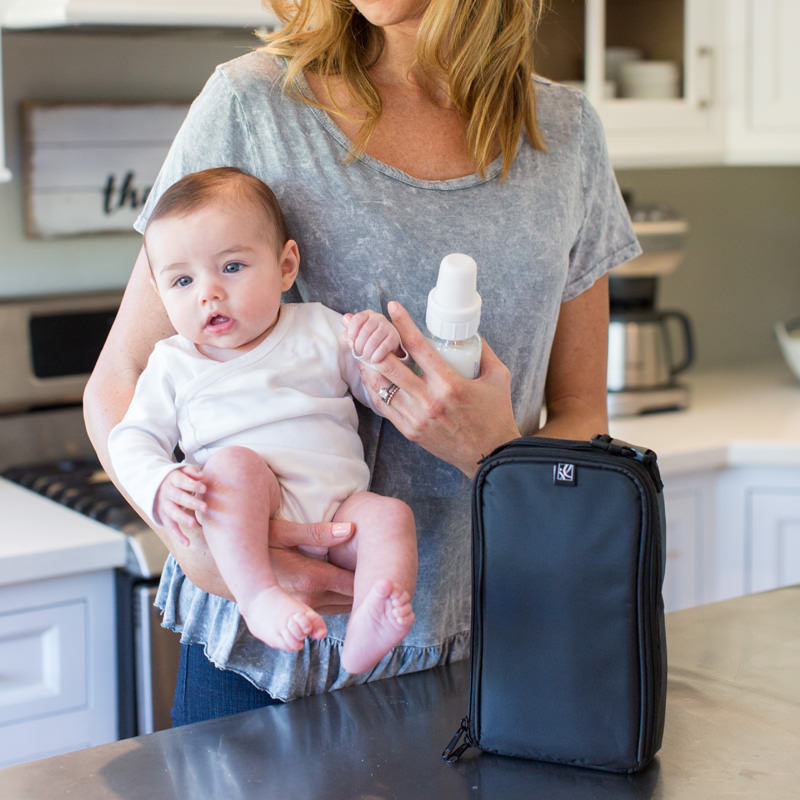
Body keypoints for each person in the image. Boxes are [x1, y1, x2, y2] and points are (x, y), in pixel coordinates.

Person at [83, 0, 642, 725]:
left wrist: (496, 453)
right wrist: (200, 555)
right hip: (263, 670)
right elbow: (119, 383)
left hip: (495, 647)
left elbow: (581, 417)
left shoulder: (565, 136)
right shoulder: (253, 105)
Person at [107, 167, 417, 675]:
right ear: (160, 295)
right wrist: (159, 483)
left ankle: (370, 619)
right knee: (232, 468)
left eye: (231, 267)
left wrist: (379, 352)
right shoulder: (173, 362)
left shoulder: (320, 326)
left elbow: (388, 398)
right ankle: (259, 597)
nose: (208, 293)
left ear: (285, 266)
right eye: (182, 281)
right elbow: (132, 439)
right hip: (251, 521)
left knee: (391, 517)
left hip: (339, 511)